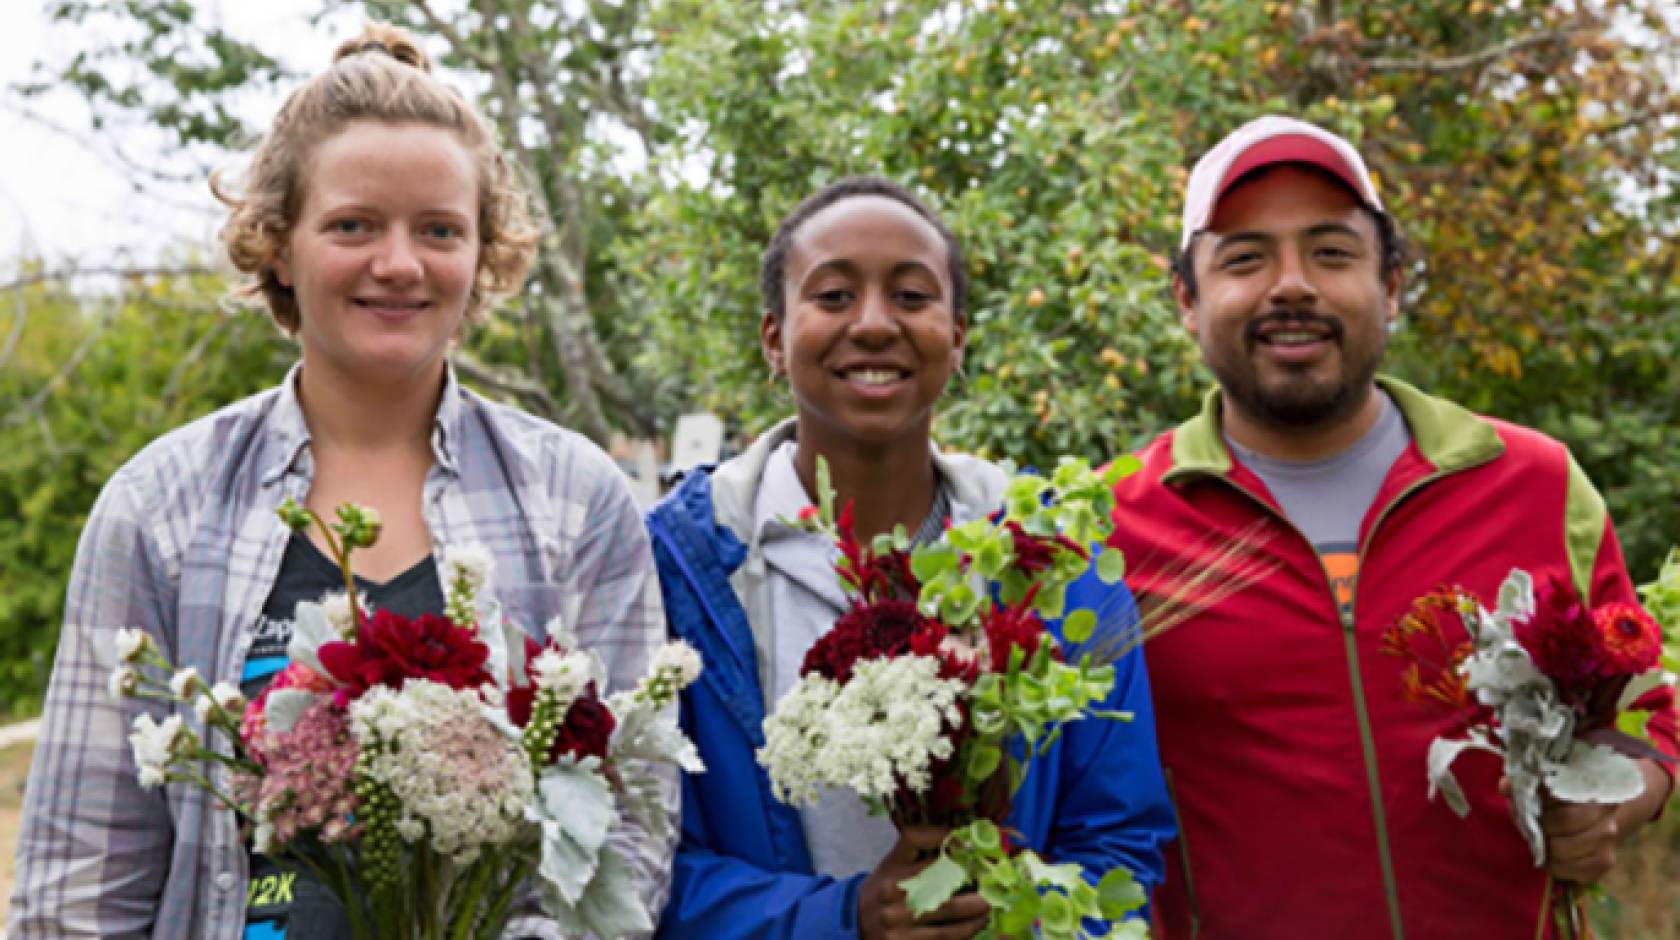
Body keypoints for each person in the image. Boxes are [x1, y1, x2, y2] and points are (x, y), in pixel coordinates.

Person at [8, 24, 673, 940]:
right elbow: (81, 878)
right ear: (279, 246)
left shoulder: (576, 500)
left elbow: (629, 832)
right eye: (353, 224)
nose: (398, 263)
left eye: (439, 230)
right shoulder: (160, 505)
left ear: (483, 255)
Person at [1109, 115, 1679, 939]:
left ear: (1393, 287)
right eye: (1245, 258)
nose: (1292, 284)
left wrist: (1612, 808)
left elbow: (1645, 717)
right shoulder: (1110, 526)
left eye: (1332, 253)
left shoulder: (1534, 481)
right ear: (1188, 303)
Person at [647, 176, 1174, 939]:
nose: (872, 324)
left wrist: (1015, 914)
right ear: (772, 337)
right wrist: (842, 918)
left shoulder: (1056, 565)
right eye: (831, 296)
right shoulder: (681, 566)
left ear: (957, 338)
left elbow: (1120, 842)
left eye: (912, 296)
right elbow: (645, 862)